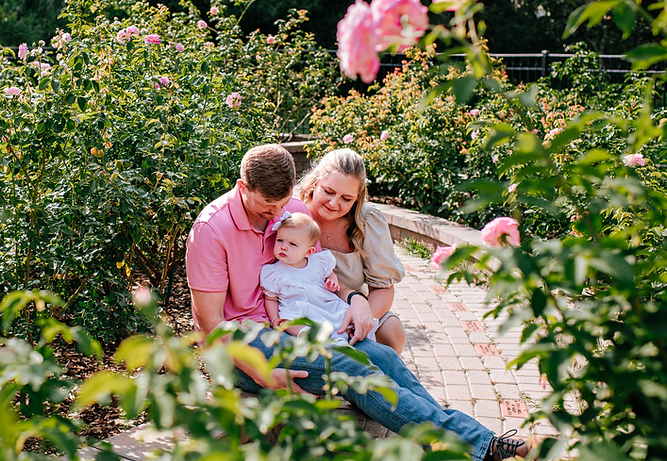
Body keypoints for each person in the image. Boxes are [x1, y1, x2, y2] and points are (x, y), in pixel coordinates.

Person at [185, 143, 530, 461]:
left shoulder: (290, 209)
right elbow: (211, 326)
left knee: (383, 356)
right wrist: (262, 374)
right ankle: (479, 446)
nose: (277, 215)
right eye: (266, 207)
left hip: (298, 327)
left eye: (282, 203)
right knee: (352, 369)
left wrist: (354, 298)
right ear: (243, 188)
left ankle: (471, 442)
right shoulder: (211, 231)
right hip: (247, 345)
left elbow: (323, 276)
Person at [299, 148, 407, 353]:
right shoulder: (294, 214)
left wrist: (361, 320)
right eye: (328, 192)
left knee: (393, 332)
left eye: (346, 199)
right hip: (305, 308)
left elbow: (382, 287)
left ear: (357, 197)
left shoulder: (367, 220)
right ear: (315, 183)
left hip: (355, 305)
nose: (334, 203)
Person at [261, 211, 380, 342]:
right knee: (289, 322)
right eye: (280, 240)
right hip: (296, 309)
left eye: (292, 244)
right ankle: (306, 334)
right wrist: (274, 319)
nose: (283, 247)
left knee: (341, 313)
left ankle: (344, 333)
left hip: (323, 304)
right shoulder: (274, 273)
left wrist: (332, 281)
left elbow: (330, 274)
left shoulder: (319, 262)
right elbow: (271, 300)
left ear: (308, 252)